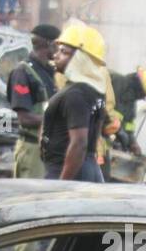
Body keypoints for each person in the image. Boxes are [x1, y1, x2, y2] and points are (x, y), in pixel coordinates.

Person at [41, 23, 109, 182]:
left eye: (64, 52)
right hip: (84, 170)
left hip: (69, 172)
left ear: (80, 59)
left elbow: (79, 143)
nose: (56, 55)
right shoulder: (93, 90)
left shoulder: (76, 94)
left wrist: (62, 186)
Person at [6, 22, 59, 178]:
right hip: (33, 149)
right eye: (59, 45)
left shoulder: (51, 72)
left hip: (49, 149)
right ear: (50, 44)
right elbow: (25, 118)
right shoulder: (23, 73)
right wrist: (58, 121)